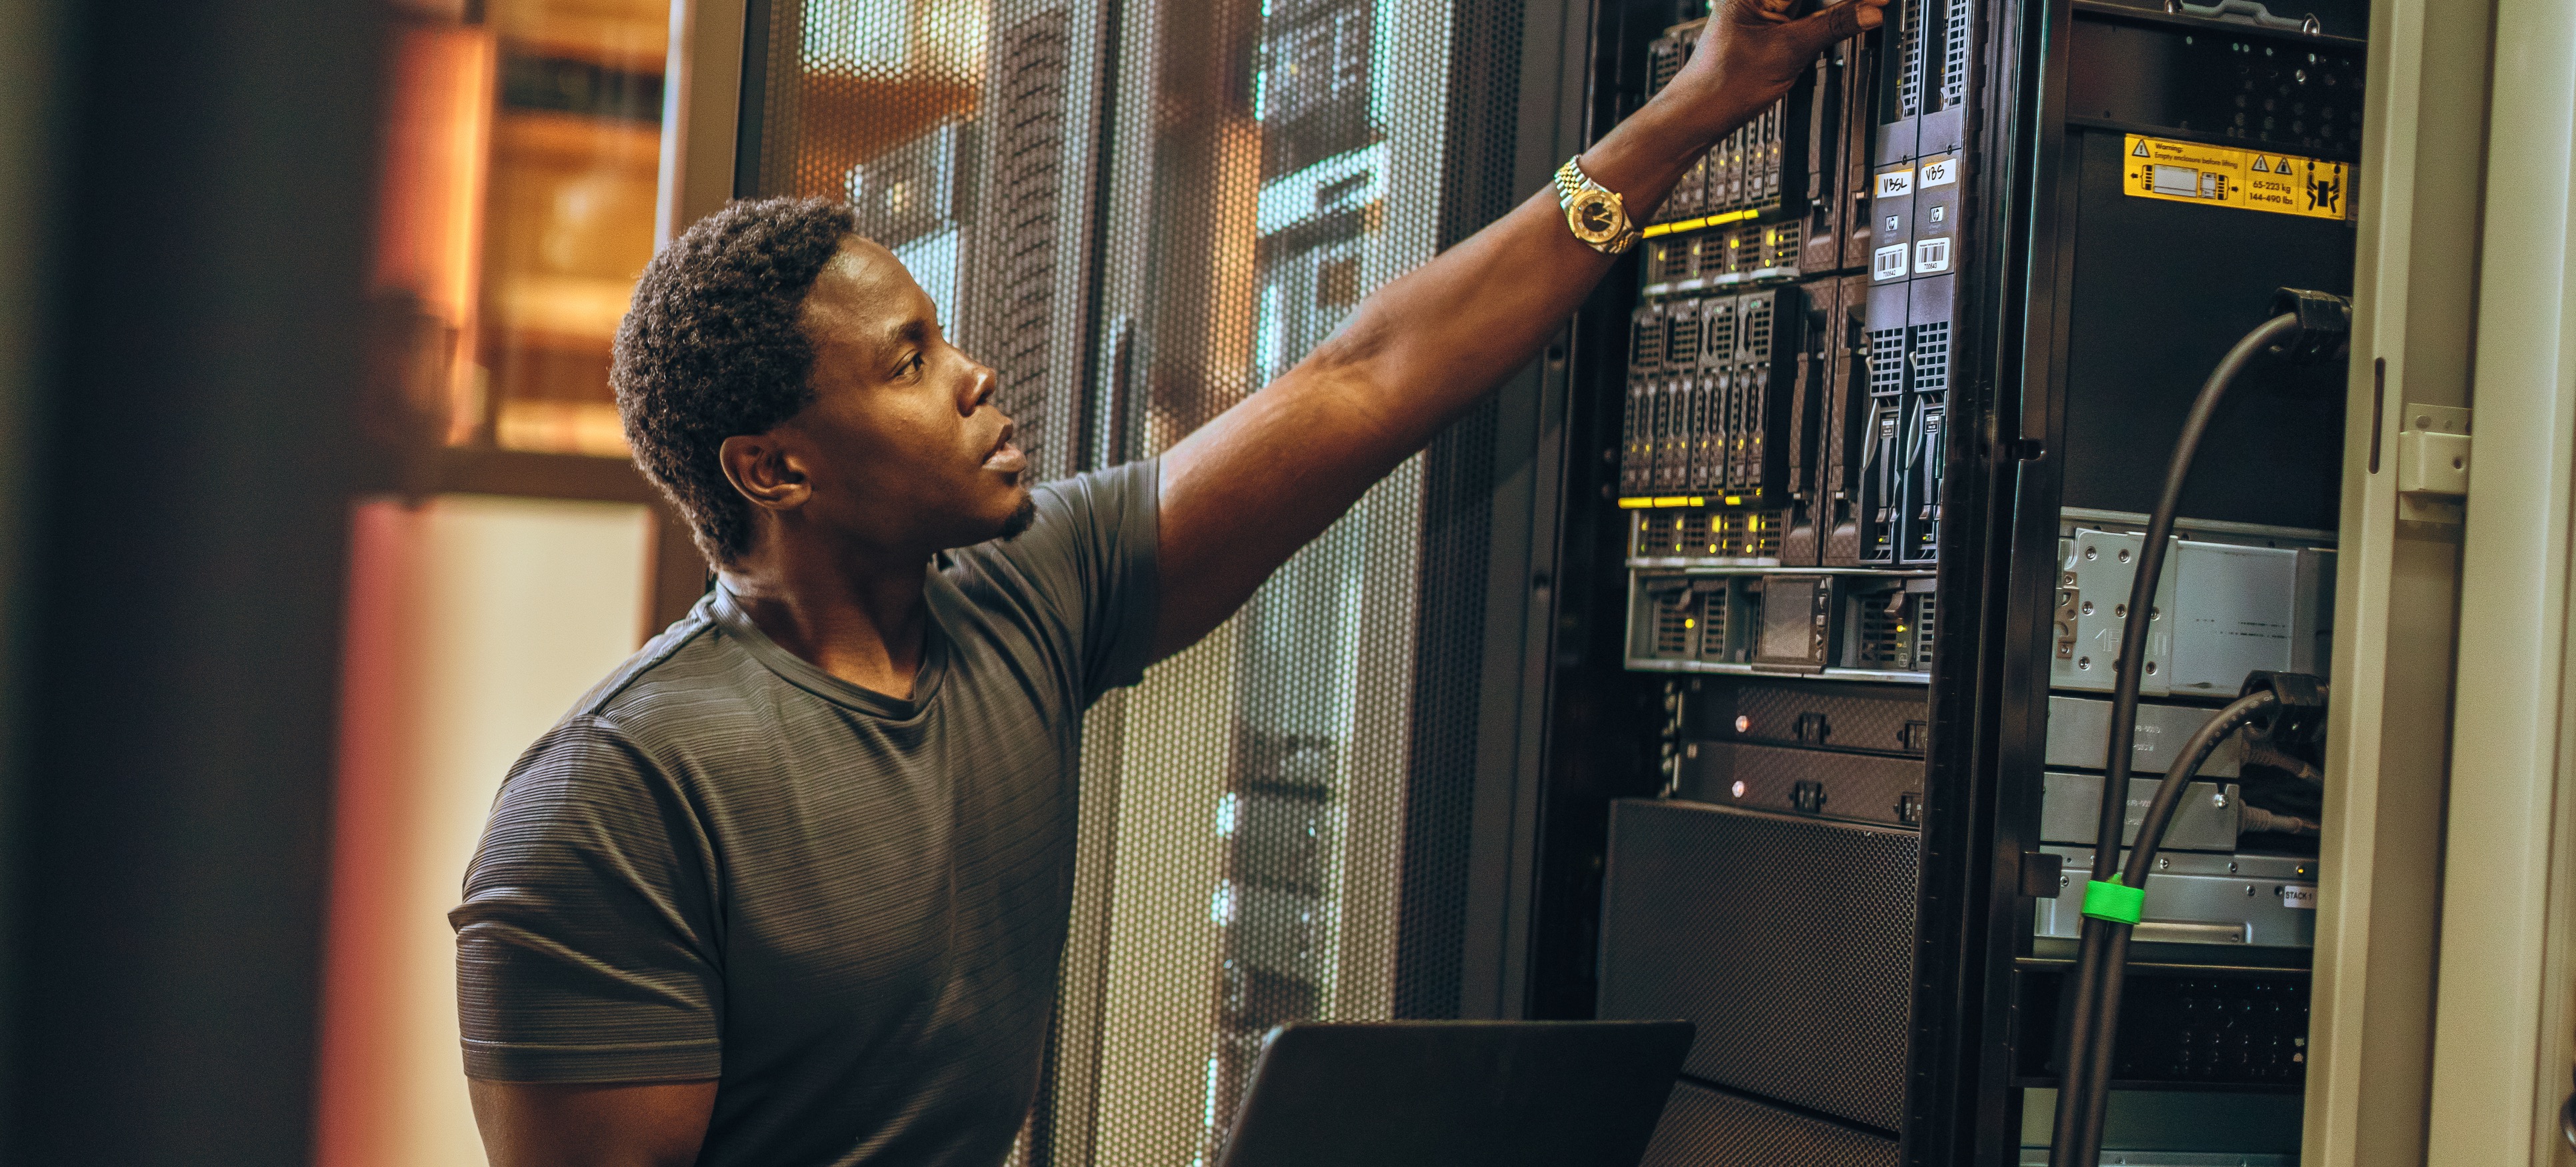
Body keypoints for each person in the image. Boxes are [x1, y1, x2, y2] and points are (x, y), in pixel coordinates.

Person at [452, 1, 1885, 1164]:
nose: (974, 376)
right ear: (772, 470)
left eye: (941, 335)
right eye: (905, 363)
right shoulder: (611, 807)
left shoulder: (1022, 597)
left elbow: (1364, 382)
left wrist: (1703, 100)